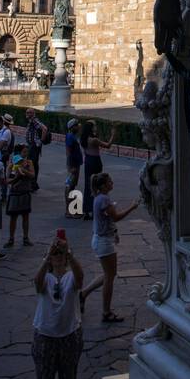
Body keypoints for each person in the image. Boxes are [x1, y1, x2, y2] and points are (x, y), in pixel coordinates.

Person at [32, 233, 85, 379]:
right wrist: (47, 256)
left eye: (61, 254)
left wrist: (68, 253)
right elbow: (37, 284)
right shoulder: (46, 277)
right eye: (56, 254)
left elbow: (80, 277)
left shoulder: (71, 276)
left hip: (69, 335)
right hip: (45, 336)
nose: (58, 257)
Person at [87, 171, 139, 323]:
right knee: (110, 277)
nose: (112, 183)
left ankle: (84, 294)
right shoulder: (104, 199)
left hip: (100, 238)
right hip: (104, 242)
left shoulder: (99, 198)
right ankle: (106, 311)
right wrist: (132, 207)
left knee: (108, 274)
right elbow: (115, 217)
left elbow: (108, 220)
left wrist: (114, 231)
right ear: (103, 185)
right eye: (110, 181)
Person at [82, 120, 114, 220]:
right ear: (91, 128)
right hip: (95, 161)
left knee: (88, 184)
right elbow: (108, 145)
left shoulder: (84, 139)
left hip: (88, 160)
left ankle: (87, 210)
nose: (96, 127)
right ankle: (97, 208)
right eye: (94, 125)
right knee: (97, 184)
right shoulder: (93, 140)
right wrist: (113, 135)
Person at [5, 143, 36, 248]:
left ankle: (25, 238)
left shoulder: (29, 162)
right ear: (19, 152)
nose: (26, 154)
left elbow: (32, 175)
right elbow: (8, 180)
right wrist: (17, 177)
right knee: (13, 217)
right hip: (15, 192)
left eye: (27, 152)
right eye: (24, 152)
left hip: (25, 192)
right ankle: (11, 238)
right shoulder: (12, 164)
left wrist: (24, 171)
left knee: (25, 216)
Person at [24, 108, 49, 183]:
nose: (27, 114)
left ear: (33, 114)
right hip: (32, 145)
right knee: (32, 163)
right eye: (27, 112)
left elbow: (44, 128)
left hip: (34, 146)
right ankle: (32, 182)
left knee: (32, 163)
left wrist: (40, 141)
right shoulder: (31, 121)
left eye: (29, 113)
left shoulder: (34, 120)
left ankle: (33, 183)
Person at [64, 119, 83, 217]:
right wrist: (71, 166)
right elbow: (69, 152)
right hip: (73, 164)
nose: (79, 126)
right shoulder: (70, 137)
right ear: (72, 127)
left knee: (72, 186)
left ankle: (72, 209)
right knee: (70, 186)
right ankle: (69, 210)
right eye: (77, 125)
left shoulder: (72, 136)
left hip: (75, 163)